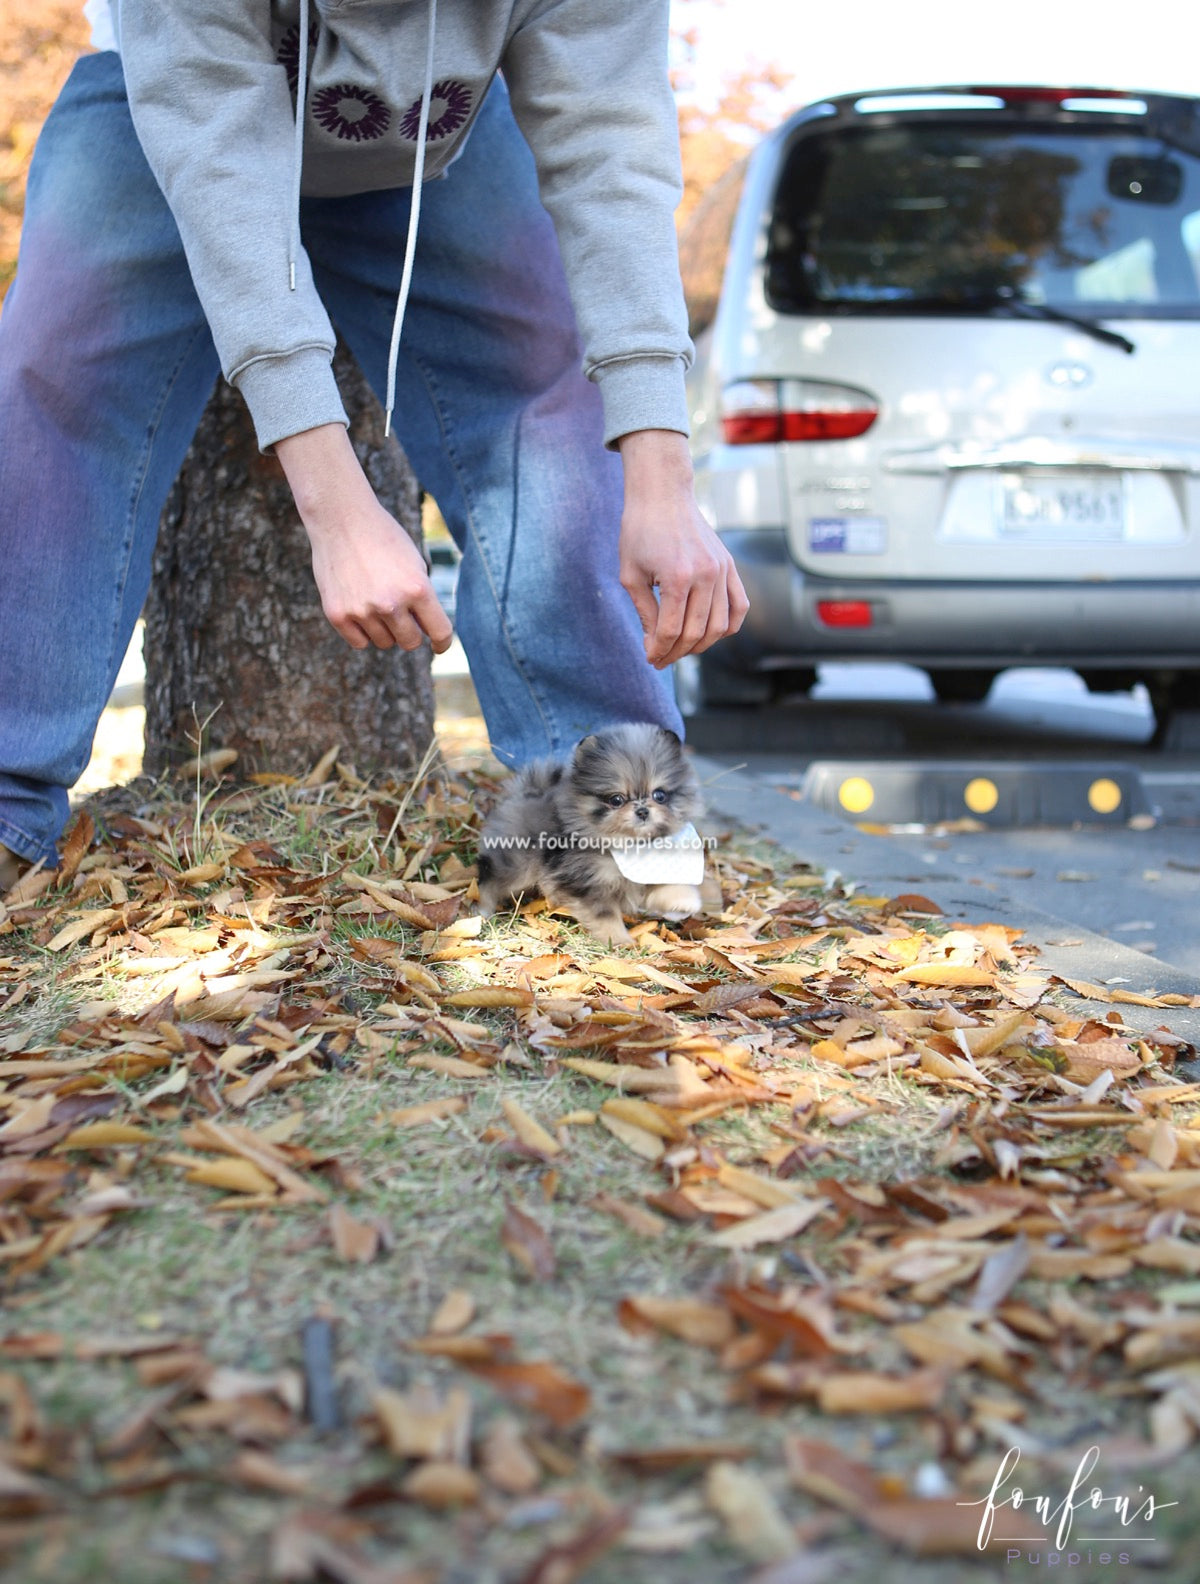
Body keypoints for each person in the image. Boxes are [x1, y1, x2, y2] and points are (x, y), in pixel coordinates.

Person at [0, 0, 748, 893]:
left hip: (445, 132)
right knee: (50, 387)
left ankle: (615, 818)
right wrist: (339, 509)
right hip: (167, 103)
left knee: (549, 387)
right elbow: (226, 184)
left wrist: (662, 478)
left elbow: (613, 159)